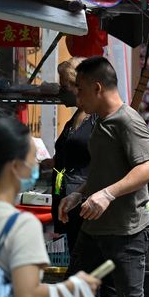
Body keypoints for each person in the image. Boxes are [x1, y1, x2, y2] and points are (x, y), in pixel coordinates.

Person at [59, 56, 149, 297]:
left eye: (80, 90)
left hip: (126, 232)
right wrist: (79, 195)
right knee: (73, 294)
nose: (77, 97)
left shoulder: (128, 120)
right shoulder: (100, 120)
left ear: (97, 88)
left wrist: (107, 194)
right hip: (93, 228)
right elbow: (102, 169)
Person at [0, 118, 101, 297]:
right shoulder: (20, 225)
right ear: (15, 167)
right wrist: (72, 287)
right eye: (33, 161)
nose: (36, 168)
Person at [52, 57, 95, 255]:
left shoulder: (96, 119)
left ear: (77, 86)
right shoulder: (74, 119)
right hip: (67, 199)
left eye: (64, 85)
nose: (60, 90)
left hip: (84, 202)